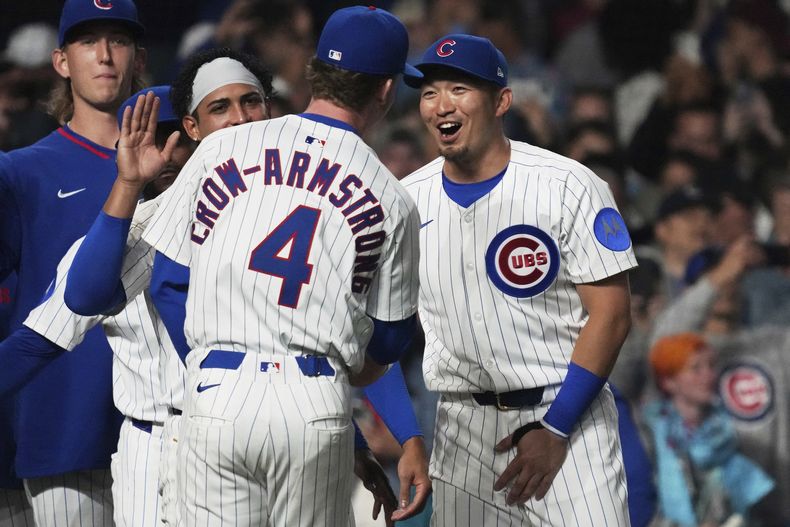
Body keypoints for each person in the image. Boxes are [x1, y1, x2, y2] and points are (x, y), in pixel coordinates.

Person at [90, 19, 427, 522]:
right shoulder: (393, 197)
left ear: (314, 74)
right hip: (314, 396)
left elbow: (164, 280)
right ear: (385, 89)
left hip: (216, 392)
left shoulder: (222, 148)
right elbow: (388, 342)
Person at [401, 34, 636, 525]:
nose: (442, 104)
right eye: (429, 92)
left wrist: (556, 428)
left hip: (567, 415)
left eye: (460, 89)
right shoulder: (406, 200)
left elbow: (612, 315)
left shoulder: (568, 184)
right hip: (462, 425)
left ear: (501, 101)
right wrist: (407, 435)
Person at [0, 0, 145, 524]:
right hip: (64, 426)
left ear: (139, 57)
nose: (105, 55)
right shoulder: (20, 174)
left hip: (168, 426)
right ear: (62, 61)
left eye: (119, 40)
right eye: (89, 42)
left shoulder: (179, 166)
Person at [644, 333, 774, 527]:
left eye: (711, 366)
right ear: (668, 382)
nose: (709, 376)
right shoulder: (650, 433)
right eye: (695, 369)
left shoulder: (730, 429)